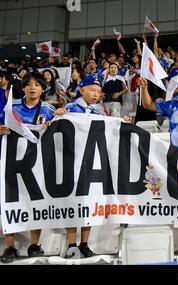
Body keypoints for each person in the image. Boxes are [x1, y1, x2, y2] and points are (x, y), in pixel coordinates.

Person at [0, 72, 55, 263]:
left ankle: (33, 245)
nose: (33, 88)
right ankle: (9, 248)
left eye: (37, 85)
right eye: (28, 84)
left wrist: (57, 120)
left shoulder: (49, 109)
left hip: (37, 164)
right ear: (22, 87)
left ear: (43, 88)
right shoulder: (10, 108)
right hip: (11, 163)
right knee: (10, 202)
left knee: (36, 202)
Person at [54, 75, 108, 258]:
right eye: (92, 90)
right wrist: (58, 114)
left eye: (99, 92)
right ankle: (71, 244)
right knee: (72, 202)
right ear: (81, 90)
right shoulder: (69, 108)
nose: (96, 94)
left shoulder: (100, 113)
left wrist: (121, 122)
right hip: (71, 161)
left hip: (92, 162)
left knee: (90, 203)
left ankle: (85, 243)